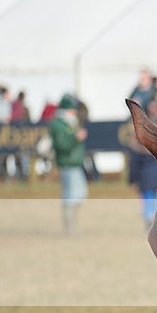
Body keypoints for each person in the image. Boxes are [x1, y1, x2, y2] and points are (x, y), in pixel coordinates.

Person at [49, 94, 88, 234]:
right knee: (70, 196)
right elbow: (61, 145)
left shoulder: (71, 122)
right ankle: (70, 228)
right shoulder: (58, 125)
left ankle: (72, 226)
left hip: (75, 163)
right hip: (67, 163)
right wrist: (75, 138)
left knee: (78, 194)